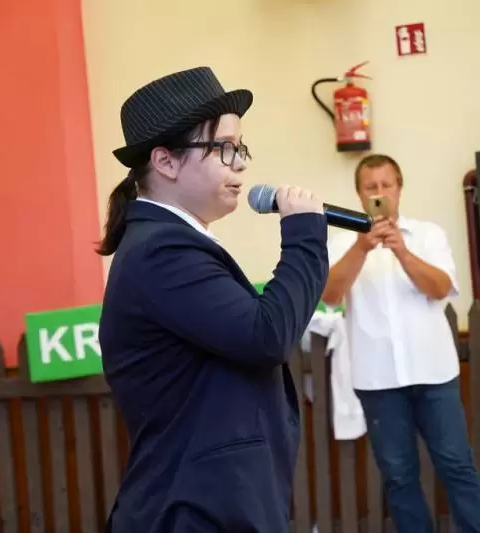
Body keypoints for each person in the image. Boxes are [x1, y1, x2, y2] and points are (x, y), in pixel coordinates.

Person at [95, 66, 329, 533]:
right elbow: (266, 335)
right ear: (166, 162)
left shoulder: (168, 244)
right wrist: (304, 236)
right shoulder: (161, 252)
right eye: (224, 148)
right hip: (195, 511)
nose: (239, 164)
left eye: (240, 148)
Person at [322, 154, 480, 533]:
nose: (379, 193)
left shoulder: (428, 234)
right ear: (359, 194)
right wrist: (361, 248)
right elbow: (330, 295)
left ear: (399, 189)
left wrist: (401, 250)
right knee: (398, 477)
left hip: (434, 373)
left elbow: (441, 288)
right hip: (377, 379)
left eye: (386, 185)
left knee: (457, 465)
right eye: (370, 187)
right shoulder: (342, 242)